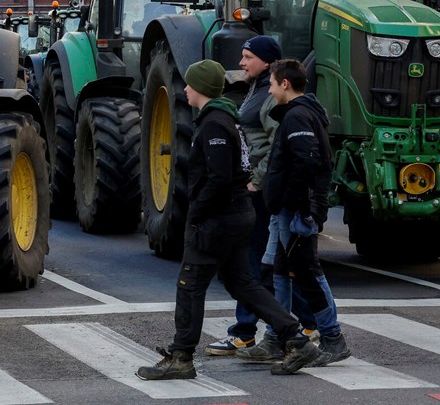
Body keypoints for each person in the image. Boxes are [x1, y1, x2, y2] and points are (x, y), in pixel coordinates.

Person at [136, 59, 328, 381]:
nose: (185, 88)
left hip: (217, 220)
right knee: (244, 284)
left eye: (189, 83)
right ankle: (295, 338)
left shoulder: (213, 124)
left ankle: (181, 356)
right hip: (236, 215)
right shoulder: (225, 119)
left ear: (200, 88)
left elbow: (221, 177)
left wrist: (195, 214)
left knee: (190, 286)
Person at [206, 36, 317, 358]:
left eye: (247, 57)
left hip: (261, 192)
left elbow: (275, 146)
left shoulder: (269, 99)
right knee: (273, 264)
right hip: (258, 188)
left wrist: (255, 182)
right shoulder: (256, 90)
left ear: (266, 61)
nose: (241, 63)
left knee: (252, 264)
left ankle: (244, 333)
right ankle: (306, 323)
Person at [260, 58, 351, 365]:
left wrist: (301, 209)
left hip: (296, 211)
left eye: (272, 84)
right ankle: (277, 337)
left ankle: (332, 338)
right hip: (293, 208)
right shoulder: (301, 114)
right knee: (282, 272)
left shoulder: (297, 117)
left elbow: (306, 163)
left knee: (308, 272)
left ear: (285, 84)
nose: (270, 91)